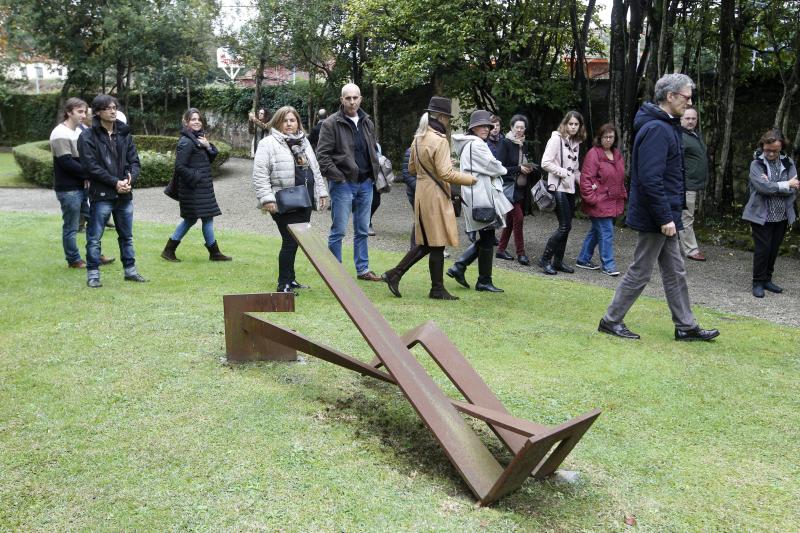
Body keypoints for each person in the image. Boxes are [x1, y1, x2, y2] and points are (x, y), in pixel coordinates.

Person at [598, 73, 719, 341]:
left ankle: (686, 326)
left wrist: (670, 216)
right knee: (641, 270)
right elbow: (651, 179)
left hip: (666, 215)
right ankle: (611, 320)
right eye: (686, 97)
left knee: (675, 270)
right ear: (670, 96)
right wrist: (665, 217)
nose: (689, 102)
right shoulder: (657, 129)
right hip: (657, 216)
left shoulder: (667, 126)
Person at [380, 96, 477, 300]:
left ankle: (418, 282)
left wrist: (433, 169)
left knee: (430, 242)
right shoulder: (439, 140)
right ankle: (421, 283)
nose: (448, 121)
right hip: (435, 194)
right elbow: (446, 174)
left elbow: (412, 168)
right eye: (448, 118)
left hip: (422, 193)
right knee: (435, 241)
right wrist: (470, 179)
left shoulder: (419, 137)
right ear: (442, 117)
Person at [253, 106, 329, 293]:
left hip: (304, 200)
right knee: (289, 240)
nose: (289, 124)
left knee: (296, 241)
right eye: (285, 120)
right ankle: (283, 284)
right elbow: (260, 174)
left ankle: (291, 279)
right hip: (282, 201)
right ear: (278, 122)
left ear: (298, 123)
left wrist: (322, 192)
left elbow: (315, 169)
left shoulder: (304, 141)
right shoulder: (268, 143)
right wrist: (267, 199)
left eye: (292, 120)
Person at [316, 83, 382, 282]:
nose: (352, 102)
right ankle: (335, 273)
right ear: (341, 100)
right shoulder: (330, 123)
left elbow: (373, 149)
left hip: (365, 183)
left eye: (355, 98)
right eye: (348, 98)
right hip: (343, 184)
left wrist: (373, 174)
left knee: (362, 230)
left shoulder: (367, 122)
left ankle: (363, 270)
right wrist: (340, 178)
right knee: (339, 230)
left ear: (361, 99)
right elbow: (322, 156)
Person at [78, 94, 146, 288]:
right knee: (94, 238)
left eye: (115, 107)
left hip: (124, 194)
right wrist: (115, 182)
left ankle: (130, 272)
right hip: (101, 196)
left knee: (126, 236)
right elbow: (91, 167)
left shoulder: (124, 133)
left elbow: (134, 161)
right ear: (98, 112)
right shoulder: (87, 137)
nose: (113, 110)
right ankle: (93, 275)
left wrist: (130, 178)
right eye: (108, 108)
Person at [448, 110, 513, 292]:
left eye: (488, 126)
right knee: (487, 236)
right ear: (473, 128)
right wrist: (504, 169)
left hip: (476, 193)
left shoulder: (470, 143)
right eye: (482, 126)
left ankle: (461, 267)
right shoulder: (477, 144)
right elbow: (493, 166)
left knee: (487, 236)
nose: (486, 129)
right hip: (481, 194)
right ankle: (482, 280)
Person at [161, 108, 231, 263]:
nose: (197, 121)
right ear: (186, 122)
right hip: (193, 188)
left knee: (202, 218)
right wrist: (197, 176)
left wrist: (207, 146)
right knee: (193, 219)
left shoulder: (198, 139)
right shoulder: (186, 141)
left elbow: (207, 160)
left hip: (201, 188)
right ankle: (170, 250)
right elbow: (180, 166)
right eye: (193, 119)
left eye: (199, 119)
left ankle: (213, 252)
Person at [742, 129, 798, 298]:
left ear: (781, 148)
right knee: (763, 249)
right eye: (767, 150)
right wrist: (784, 184)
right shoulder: (756, 164)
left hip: (781, 215)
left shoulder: (788, 163)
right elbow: (762, 188)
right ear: (762, 146)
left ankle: (767, 279)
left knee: (773, 249)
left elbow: (793, 189)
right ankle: (757, 282)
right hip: (761, 215)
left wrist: (774, 185)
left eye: (775, 150)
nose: (771, 153)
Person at [50, 97, 96, 268]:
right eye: (80, 111)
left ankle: (94, 254)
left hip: (81, 186)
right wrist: (91, 174)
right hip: (68, 188)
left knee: (93, 220)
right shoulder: (60, 133)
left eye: (85, 111)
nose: (84, 115)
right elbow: (66, 163)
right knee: (71, 226)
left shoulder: (79, 132)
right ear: (69, 112)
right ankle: (73, 259)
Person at [575, 123, 627, 276]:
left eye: (611, 137)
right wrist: (592, 199)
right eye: (605, 137)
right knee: (606, 232)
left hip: (612, 200)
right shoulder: (594, 154)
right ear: (599, 138)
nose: (608, 140)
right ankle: (608, 265)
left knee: (597, 232)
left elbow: (619, 178)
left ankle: (583, 259)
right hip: (598, 201)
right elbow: (586, 179)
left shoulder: (616, 154)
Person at [539, 110, 585, 275]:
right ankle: (545, 259)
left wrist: (585, 183)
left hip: (570, 189)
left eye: (576, 124)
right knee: (564, 226)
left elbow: (576, 169)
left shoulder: (576, 142)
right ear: (565, 124)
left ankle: (558, 261)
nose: (573, 127)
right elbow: (545, 162)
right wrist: (563, 172)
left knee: (567, 226)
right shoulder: (556, 139)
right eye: (570, 124)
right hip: (557, 187)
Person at [495, 115, 535, 265]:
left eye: (522, 127)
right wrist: (519, 168)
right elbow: (499, 168)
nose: (519, 130)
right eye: (516, 127)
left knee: (511, 221)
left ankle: (500, 249)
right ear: (511, 127)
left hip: (519, 187)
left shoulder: (523, 145)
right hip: (507, 187)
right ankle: (521, 253)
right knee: (518, 218)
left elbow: (523, 164)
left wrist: (529, 167)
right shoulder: (505, 143)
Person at [678, 107, 709, 261]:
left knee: (684, 216)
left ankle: (670, 247)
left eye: (693, 119)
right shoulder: (680, 136)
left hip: (694, 184)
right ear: (681, 119)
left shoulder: (695, 135)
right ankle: (690, 250)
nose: (690, 121)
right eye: (687, 118)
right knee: (687, 217)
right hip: (686, 184)